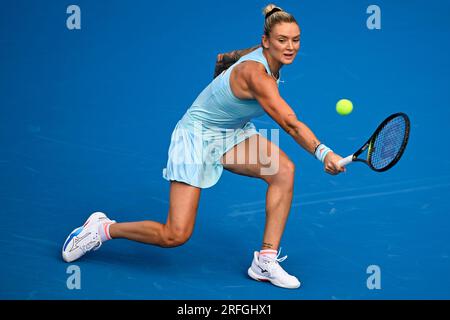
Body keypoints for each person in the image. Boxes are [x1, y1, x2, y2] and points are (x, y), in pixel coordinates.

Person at [62, 4, 345, 289]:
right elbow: (290, 123)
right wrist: (324, 153)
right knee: (175, 235)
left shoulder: (257, 54)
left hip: (232, 133)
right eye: (282, 40)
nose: (290, 47)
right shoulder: (257, 75)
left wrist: (222, 95)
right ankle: (102, 228)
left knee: (283, 171)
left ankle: (265, 262)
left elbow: (224, 58)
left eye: (295, 40)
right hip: (195, 137)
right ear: (265, 41)